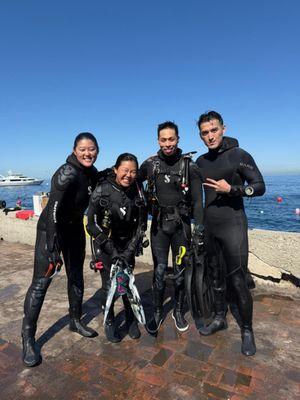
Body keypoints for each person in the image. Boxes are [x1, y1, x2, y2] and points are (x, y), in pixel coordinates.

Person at [22, 132, 99, 367]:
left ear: (97, 150)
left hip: (75, 229)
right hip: (51, 230)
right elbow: (53, 211)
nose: (88, 153)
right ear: (75, 150)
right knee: (41, 283)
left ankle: (75, 320)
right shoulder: (67, 172)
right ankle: (28, 338)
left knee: (76, 276)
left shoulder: (92, 173)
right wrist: (52, 246)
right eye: (83, 149)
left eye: (92, 149)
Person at [196, 111, 265, 356]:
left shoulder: (239, 155)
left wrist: (232, 189)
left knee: (237, 280)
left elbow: (259, 187)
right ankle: (218, 318)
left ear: (223, 129)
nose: (210, 136)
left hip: (233, 225)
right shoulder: (201, 162)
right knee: (215, 276)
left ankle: (247, 330)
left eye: (213, 130)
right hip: (210, 226)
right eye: (205, 132)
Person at [139, 121, 204, 333]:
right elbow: (130, 183)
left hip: (181, 227)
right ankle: (157, 312)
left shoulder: (190, 166)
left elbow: (197, 202)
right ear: (158, 140)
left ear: (178, 139)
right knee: (158, 271)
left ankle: (177, 311)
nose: (167, 143)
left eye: (171, 139)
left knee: (179, 270)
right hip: (158, 225)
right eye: (163, 139)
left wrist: (199, 231)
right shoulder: (149, 164)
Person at [87, 153, 148, 343]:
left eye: (133, 171)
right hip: (106, 245)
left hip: (128, 245)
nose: (128, 175)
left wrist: (129, 250)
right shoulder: (102, 190)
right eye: (124, 170)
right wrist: (111, 250)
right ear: (116, 170)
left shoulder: (138, 190)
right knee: (109, 286)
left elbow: (142, 225)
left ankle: (131, 319)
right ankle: (110, 320)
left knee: (128, 284)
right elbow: (91, 224)